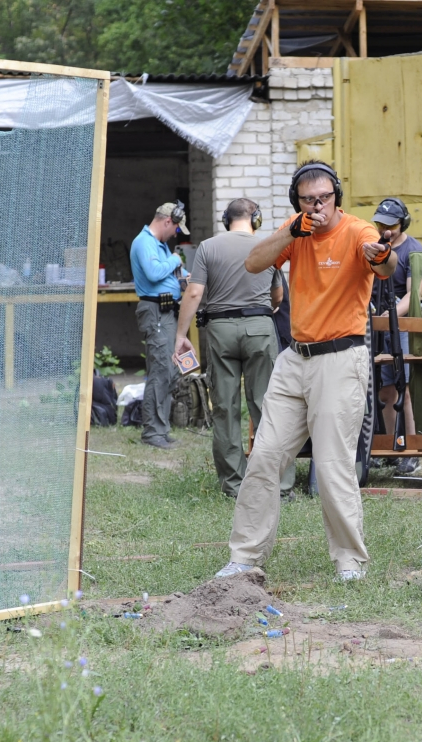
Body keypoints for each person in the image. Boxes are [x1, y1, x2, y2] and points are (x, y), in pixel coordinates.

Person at [214, 160, 396, 582]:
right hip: (294, 358)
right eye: (308, 200)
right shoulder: (295, 230)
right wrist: (290, 232)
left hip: (341, 357)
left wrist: (382, 256)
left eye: (324, 198)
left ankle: (349, 562)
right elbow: (253, 263)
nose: (317, 207)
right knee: (265, 457)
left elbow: (384, 266)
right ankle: (245, 557)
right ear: (298, 202)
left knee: (333, 465)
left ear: (337, 197)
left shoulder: (358, 231)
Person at [174, 198, 294, 499]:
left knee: (225, 409)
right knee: (267, 406)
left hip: (221, 330)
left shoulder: (208, 247)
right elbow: (278, 296)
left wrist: (181, 335)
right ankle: (278, 485)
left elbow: (195, 293)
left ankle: (234, 485)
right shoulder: (267, 246)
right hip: (259, 329)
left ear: (226, 220)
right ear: (256, 219)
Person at [370, 197, 422, 476]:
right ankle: (390, 448)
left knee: (405, 387)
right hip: (377, 322)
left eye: (391, 225)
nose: (385, 230)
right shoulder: (375, 247)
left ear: (403, 223)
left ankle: (412, 448)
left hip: (401, 324)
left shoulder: (413, 251)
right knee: (385, 389)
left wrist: (389, 317)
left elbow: (413, 294)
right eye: (381, 225)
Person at [131, 201, 189, 449]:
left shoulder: (161, 246)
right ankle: (152, 433)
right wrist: (175, 260)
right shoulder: (144, 242)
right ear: (167, 221)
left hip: (168, 312)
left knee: (171, 371)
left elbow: (168, 275)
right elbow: (154, 273)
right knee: (160, 369)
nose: (176, 233)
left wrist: (185, 278)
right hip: (155, 312)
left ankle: (161, 429)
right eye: (176, 228)